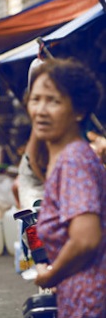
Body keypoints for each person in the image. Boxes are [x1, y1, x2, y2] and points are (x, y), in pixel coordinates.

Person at [23, 58, 106, 317]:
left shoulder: (74, 160)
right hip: (78, 294)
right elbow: (35, 158)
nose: (41, 110)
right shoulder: (64, 156)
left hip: (89, 298)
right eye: (35, 99)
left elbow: (85, 239)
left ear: (78, 110)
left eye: (54, 101)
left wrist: (51, 276)